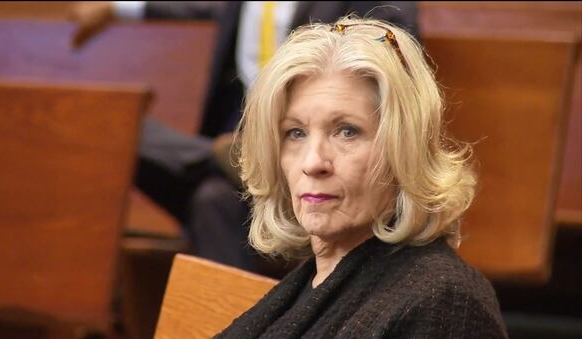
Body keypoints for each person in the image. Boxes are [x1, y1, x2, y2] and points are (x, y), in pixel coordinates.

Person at [70, 2, 420, 275]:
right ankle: (225, 158)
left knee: (211, 198)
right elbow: (200, 7)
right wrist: (117, 6)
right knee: (119, 130)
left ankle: (237, 160)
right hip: (239, 143)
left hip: (311, 147)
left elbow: (396, 47)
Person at [214, 16, 508, 338]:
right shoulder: (312, 281)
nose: (313, 162)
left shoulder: (446, 303)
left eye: (347, 132)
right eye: (295, 133)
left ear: (404, 148)